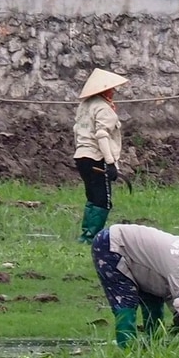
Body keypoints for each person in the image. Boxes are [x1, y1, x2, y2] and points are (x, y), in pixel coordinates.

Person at [90, 223, 179, 350]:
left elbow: (172, 293)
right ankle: (126, 348)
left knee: (155, 297)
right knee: (126, 298)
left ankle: (153, 344)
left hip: (139, 259)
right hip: (112, 245)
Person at [73, 68, 126, 243]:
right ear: (105, 90)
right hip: (97, 158)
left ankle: (86, 233)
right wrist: (110, 163)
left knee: (92, 196)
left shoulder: (84, 106)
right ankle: (91, 237)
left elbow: (77, 131)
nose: (113, 92)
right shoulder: (103, 108)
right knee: (103, 200)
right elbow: (102, 136)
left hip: (81, 155)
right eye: (111, 89)